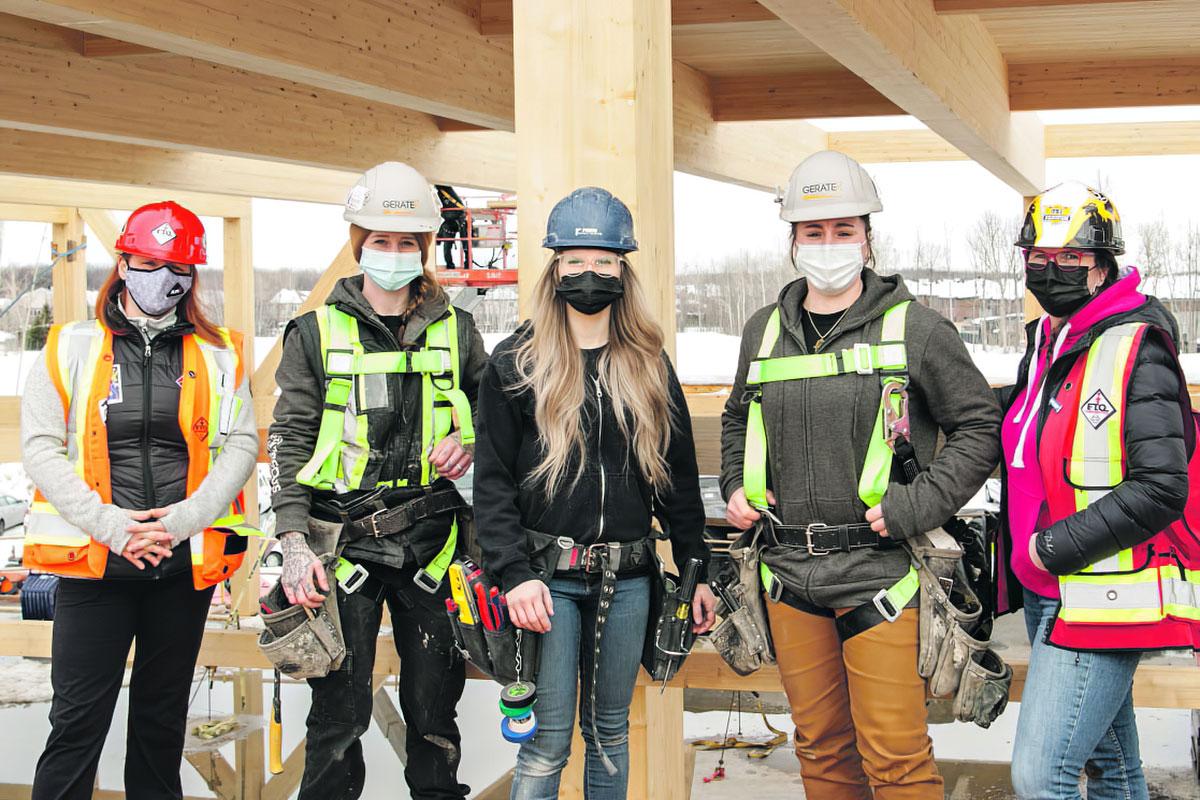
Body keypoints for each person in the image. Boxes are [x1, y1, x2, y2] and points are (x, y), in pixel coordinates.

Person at [721, 151, 1001, 799]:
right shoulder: (763, 333)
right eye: (813, 231)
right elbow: (739, 418)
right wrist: (737, 484)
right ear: (792, 241)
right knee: (819, 750)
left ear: (868, 237)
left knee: (895, 758)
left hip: (882, 574)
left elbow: (979, 426)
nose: (828, 244)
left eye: (843, 230)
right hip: (789, 572)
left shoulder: (918, 331)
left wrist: (920, 504)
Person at [472, 187, 717, 799]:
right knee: (546, 744)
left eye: (604, 261)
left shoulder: (649, 365)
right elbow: (493, 485)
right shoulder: (515, 363)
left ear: (622, 271)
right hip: (544, 582)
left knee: (610, 737)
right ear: (555, 268)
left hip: (629, 581)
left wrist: (697, 573)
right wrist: (513, 574)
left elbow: (679, 484)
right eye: (575, 260)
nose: (589, 273)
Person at [23, 201, 259, 799]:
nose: (166, 279)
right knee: (77, 726)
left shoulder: (221, 353)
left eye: (179, 266)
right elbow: (41, 450)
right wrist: (112, 526)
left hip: (180, 571)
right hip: (97, 568)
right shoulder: (68, 346)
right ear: (124, 262)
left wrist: (183, 521)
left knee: (160, 728)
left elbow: (238, 447)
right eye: (151, 262)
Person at [267, 161, 486, 800]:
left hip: (433, 546)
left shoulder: (458, 330)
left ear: (425, 248)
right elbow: (290, 439)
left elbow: (500, 423)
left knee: (434, 719)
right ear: (360, 243)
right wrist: (293, 542)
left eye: (407, 243)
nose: (394, 255)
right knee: (338, 722)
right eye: (381, 242)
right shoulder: (314, 332)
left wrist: (468, 440)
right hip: (344, 547)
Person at [996, 181, 1200, 800]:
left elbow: (1163, 485)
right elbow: (1024, 431)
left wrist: (1050, 548)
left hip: (1094, 594)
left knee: (1041, 776)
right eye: (1038, 258)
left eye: (1071, 258)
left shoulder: (1135, 345)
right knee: (1112, 768)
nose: (1050, 270)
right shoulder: (1050, 339)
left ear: (1102, 263)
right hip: (1047, 587)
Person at [437, 184, 469, 269]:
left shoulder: (446, 191)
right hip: (450, 221)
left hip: (459, 220)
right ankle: (450, 264)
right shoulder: (440, 193)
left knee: (466, 243)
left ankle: (468, 263)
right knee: (447, 245)